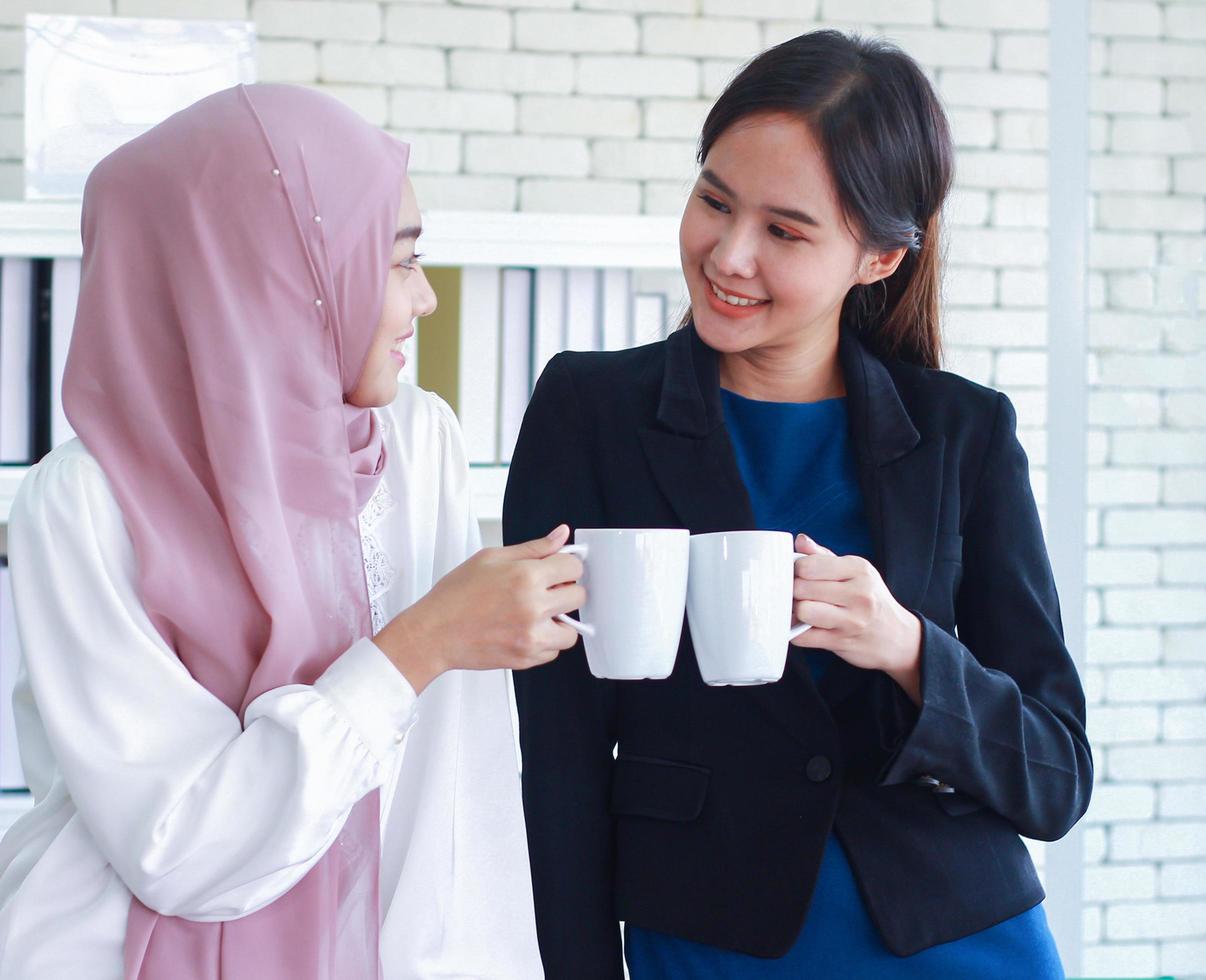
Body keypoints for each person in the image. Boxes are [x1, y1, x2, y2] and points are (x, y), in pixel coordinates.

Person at [504, 31, 1092, 979]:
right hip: (707, 937)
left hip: (959, 940)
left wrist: (904, 646)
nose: (728, 255)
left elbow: (1057, 776)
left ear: (878, 259)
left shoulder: (964, 434)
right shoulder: (590, 412)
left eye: (785, 231)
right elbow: (561, 757)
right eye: (714, 201)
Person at [0, 83, 583, 979]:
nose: (425, 298)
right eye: (392, 262)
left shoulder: (415, 442)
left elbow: (452, 797)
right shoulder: (84, 502)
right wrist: (417, 648)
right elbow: (181, 849)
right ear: (277, 276)